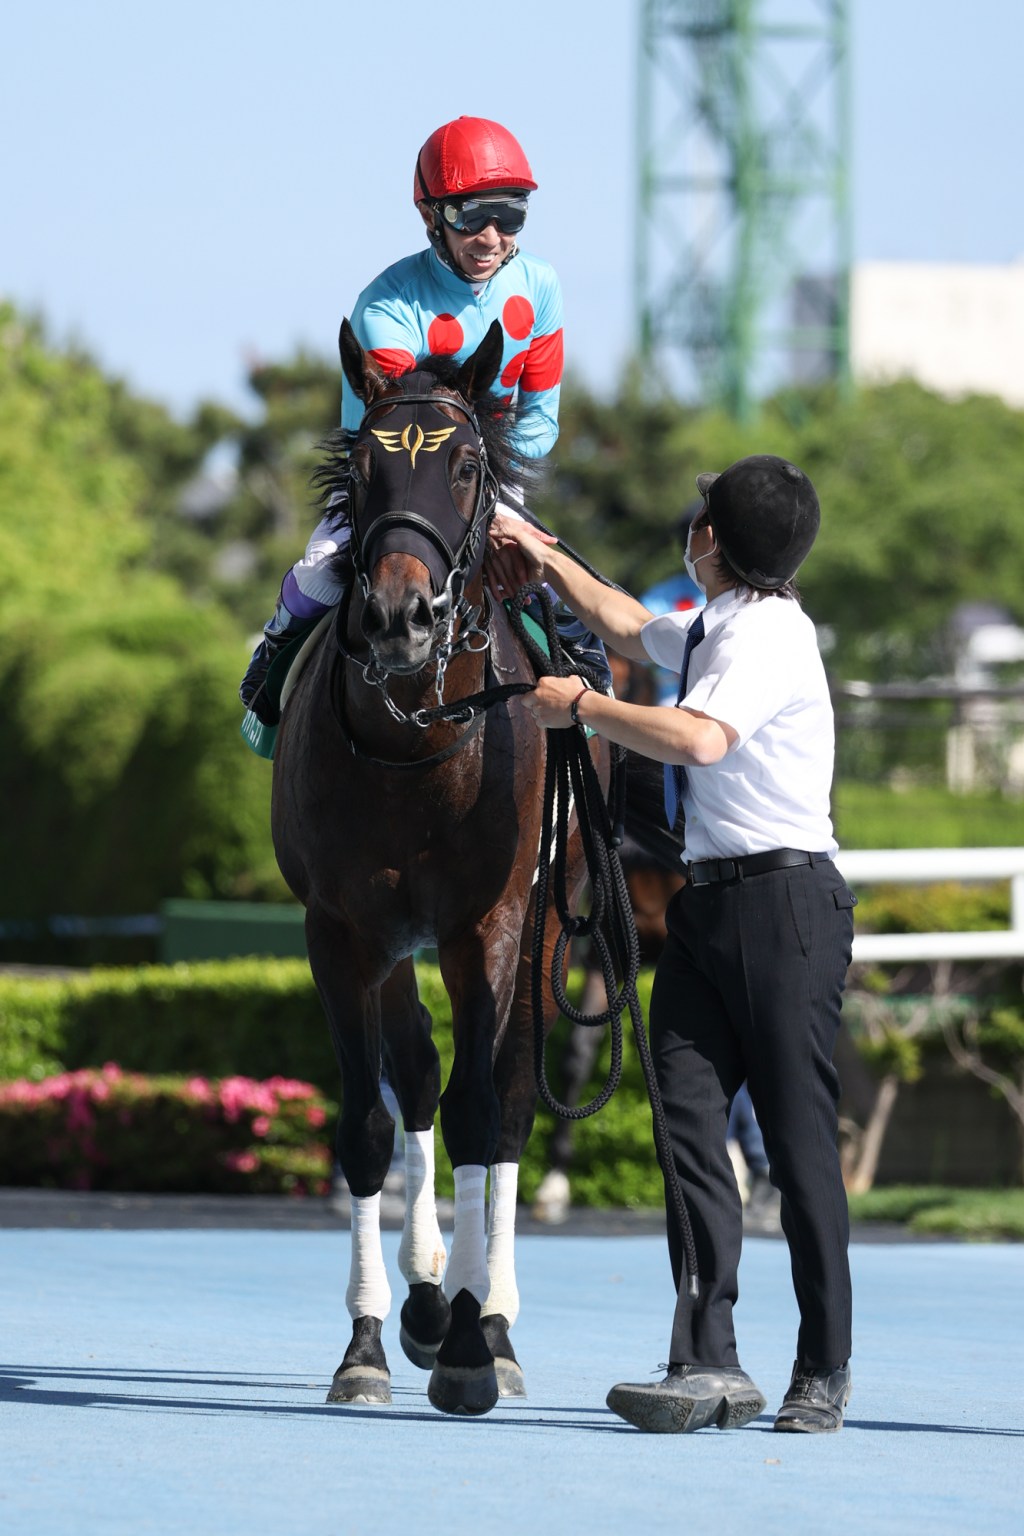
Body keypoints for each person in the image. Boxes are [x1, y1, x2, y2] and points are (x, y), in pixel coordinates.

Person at [487, 453, 857, 1435]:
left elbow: (698, 740)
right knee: (686, 1125)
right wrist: (541, 551)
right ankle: (707, 1359)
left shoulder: (767, 636)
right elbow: (620, 620)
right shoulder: (715, 624)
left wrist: (583, 709)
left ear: (713, 543)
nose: (689, 529)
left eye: (700, 518)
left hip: (784, 907)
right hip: (710, 907)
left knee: (798, 1146)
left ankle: (821, 1368)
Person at [239, 113, 609, 727]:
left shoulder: (541, 286)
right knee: (320, 571)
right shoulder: (385, 306)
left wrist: (488, 495)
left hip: (481, 476)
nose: (491, 236)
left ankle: (602, 713)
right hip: (389, 476)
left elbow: (540, 423)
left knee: (567, 595)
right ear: (430, 216)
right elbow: (401, 435)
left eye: (510, 215)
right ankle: (274, 657)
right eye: (471, 216)